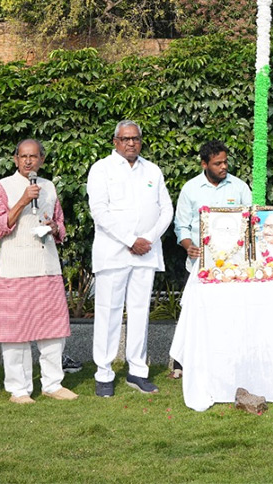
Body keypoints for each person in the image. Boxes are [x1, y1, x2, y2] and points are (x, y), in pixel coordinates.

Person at [88, 121, 173, 397]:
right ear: (115, 141)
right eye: (125, 139)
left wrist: (147, 238)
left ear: (141, 141)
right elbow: (99, 211)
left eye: (135, 139)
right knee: (108, 312)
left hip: (146, 252)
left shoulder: (153, 170)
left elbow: (166, 209)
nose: (131, 143)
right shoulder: (101, 169)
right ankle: (104, 373)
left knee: (139, 312)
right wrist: (129, 240)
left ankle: (138, 370)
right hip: (114, 253)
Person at [0, 139, 77, 404]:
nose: (28, 161)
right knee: (16, 330)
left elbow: (61, 225)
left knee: (52, 329)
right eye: (23, 156)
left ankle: (53, 383)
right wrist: (22, 201)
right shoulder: (3, 186)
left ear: (42, 159)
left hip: (47, 266)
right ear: (15, 159)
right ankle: (19, 389)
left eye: (34, 157)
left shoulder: (49, 186)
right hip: (16, 267)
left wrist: (53, 227)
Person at [174, 140, 252, 276]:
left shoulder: (240, 187)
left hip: (235, 265)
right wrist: (189, 247)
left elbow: (253, 220)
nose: (224, 167)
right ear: (204, 164)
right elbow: (181, 225)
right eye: (217, 164)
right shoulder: (190, 188)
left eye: (225, 162)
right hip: (199, 264)